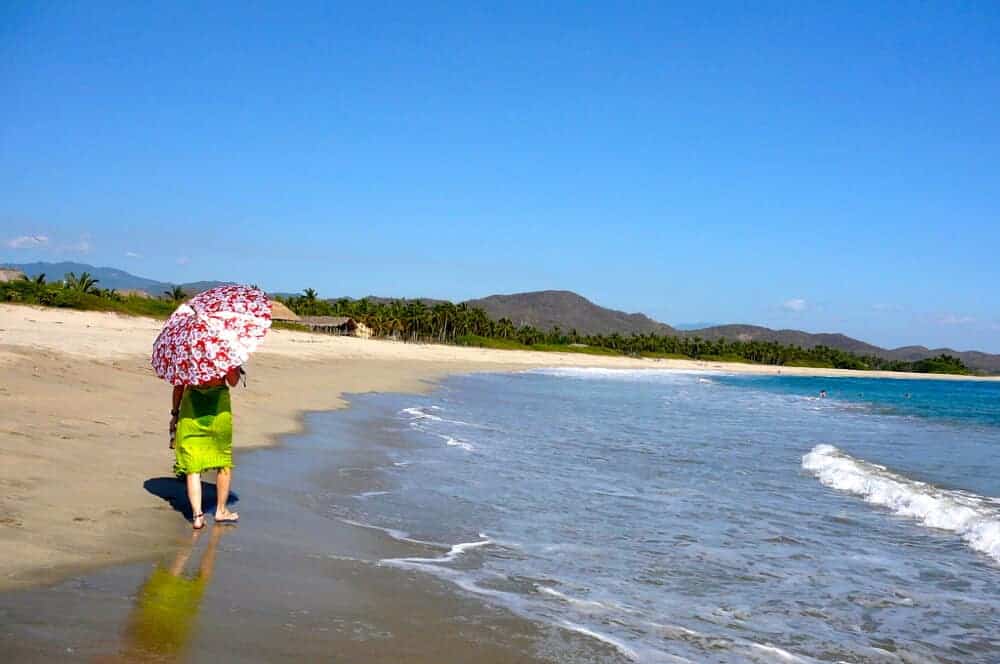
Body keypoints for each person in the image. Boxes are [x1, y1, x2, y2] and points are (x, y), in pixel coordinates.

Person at [169, 365, 242, 529]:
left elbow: (179, 386)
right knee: (222, 459)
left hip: (191, 407)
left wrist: (175, 413)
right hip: (218, 408)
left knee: (193, 465)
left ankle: (197, 515)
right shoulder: (223, 353)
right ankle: (221, 510)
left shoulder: (188, 353)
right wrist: (235, 367)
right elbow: (233, 381)